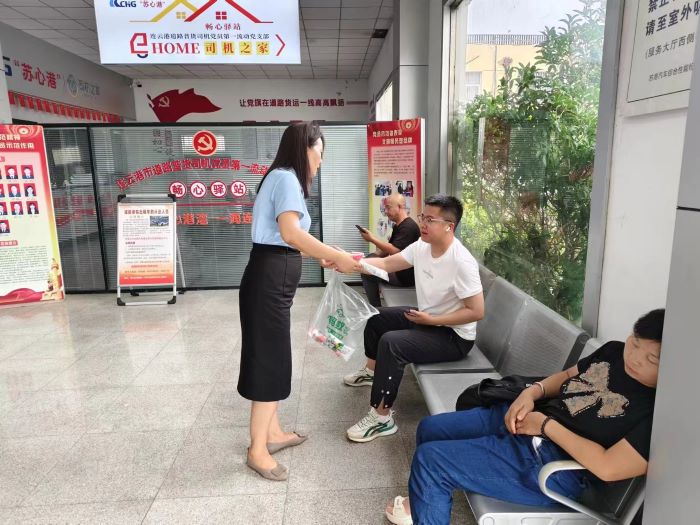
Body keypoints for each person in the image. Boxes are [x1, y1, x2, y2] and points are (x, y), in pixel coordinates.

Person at [385, 309, 665, 525]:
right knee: (431, 428)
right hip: (530, 420)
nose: (635, 358)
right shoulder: (614, 351)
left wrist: (545, 426)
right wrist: (532, 392)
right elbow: (569, 376)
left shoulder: (659, 410)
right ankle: (426, 501)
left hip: (551, 463)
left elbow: (608, 467)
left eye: (652, 359)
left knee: (431, 462)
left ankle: (430, 491)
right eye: (634, 343)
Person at [237, 121, 360, 482]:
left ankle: (273, 433)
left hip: (270, 280)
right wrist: (337, 257)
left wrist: (324, 254)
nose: (320, 163)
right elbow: (290, 233)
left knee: (273, 358)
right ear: (304, 148)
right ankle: (257, 450)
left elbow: (285, 241)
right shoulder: (286, 178)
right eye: (319, 154)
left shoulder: (280, 177)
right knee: (269, 361)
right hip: (268, 284)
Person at [345, 194, 484, 441]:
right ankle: (371, 371)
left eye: (430, 220)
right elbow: (387, 264)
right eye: (422, 217)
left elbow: (476, 311)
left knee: (392, 343)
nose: (422, 224)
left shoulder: (462, 262)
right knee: (377, 318)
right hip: (428, 319)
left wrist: (432, 321)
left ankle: (381, 417)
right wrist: (348, 262)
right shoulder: (422, 247)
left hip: (454, 337)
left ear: (449, 226)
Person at [358, 194, 420, 307]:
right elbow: (387, 251)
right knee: (369, 261)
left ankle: (376, 309)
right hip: (399, 269)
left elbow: (394, 250)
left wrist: (372, 239)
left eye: (388, 207)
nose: (386, 211)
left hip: (405, 277)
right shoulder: (398, 226)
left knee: (367, 272)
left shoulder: (408, 227)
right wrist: (371, 257)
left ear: (400, 207)